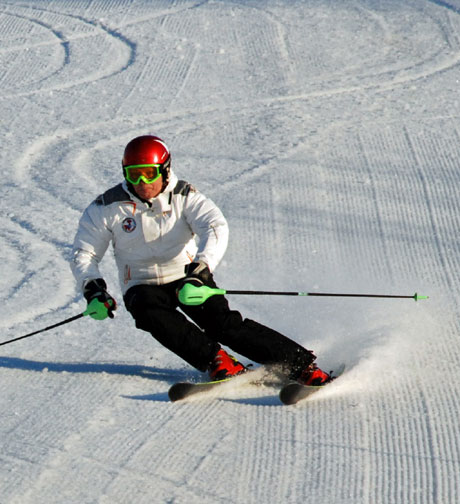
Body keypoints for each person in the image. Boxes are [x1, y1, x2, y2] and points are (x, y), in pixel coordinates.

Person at [69, 134, 331, 385]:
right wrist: (93, 288)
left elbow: (215, 227)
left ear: (165, 169)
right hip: (140, 282)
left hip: (187, 277)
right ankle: (216, 361)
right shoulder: (106, 207)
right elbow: (85, 252)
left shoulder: (185, 196)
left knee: (223, 325)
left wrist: (201, 271)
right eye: (133, 173)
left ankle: (300, 365)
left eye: (149, 173)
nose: (142, 182)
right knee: (149, 312)